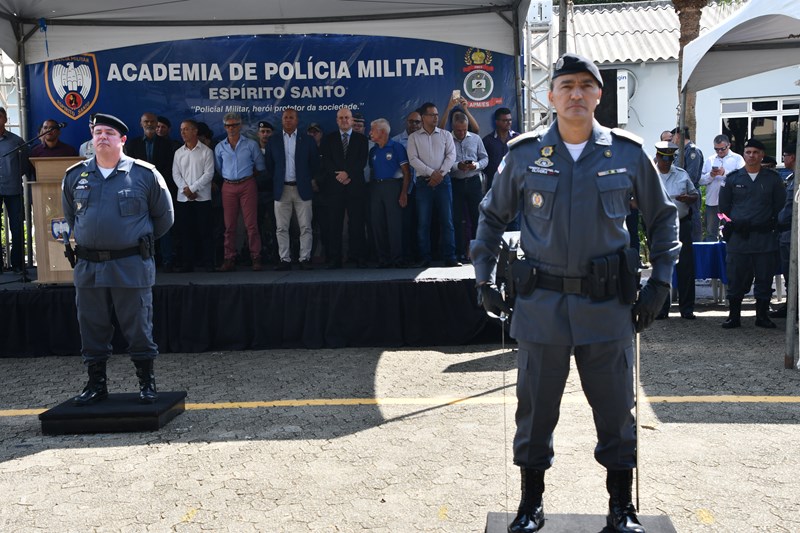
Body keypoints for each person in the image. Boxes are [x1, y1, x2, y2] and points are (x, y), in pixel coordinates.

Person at [471, 53, 679, 533]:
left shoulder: (626, 153)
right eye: (566, 85)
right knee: (535, 409)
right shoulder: (524, 155)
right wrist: (483, 277)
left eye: (587, 85)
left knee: (615, 412)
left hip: (606, 307)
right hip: (540, 306)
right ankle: (530, 504)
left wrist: (661, 283)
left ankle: (621, 508)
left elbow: (664, 219)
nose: (576, 94)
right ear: (551, 95)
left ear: (599, 96)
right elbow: (491, 216)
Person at [61, 113, 174, 405]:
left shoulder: (145, 174)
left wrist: (134, 241)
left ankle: (146, 382)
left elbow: (164, 218)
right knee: (91, 326)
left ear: (122, 140)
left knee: (138, 325)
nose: (102, 137)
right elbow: (72, 218)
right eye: (97, 132)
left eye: (109, 133)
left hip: (130, 264)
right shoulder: (75, 176)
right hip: (88, 267)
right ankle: (96, 384)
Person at [719, 138, 785, 329]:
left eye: (756, 152)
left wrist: (771, 223)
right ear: (744, 154)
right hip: (739, 238)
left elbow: (779, 207)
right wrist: (731, 225)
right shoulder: (732, 178)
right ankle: (734, 316)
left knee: (764, 277)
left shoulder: (772, 179)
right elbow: (723, 209)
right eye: (748, 152)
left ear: (762, 155)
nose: (752, 156)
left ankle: (762, 316)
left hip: (764, 238)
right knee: (736, 277)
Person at [265, 108, 319, 270]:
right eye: (285, 117)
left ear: (297, 120)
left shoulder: (307, 140)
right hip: (282, 189)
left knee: (305, 226)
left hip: (302, 187)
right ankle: (285, 259)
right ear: (282, 120)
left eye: (291, 117)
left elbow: (314, 163)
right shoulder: (273, 141)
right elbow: (270, 166)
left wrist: (310, 180)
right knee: (281, 227)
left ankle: (305, 258)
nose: (288, 120)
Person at [407, 102, 459, 268]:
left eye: (437, 115)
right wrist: (432, 173)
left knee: (447, 221)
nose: (436, 117)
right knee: (423, 222)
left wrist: (440, 174)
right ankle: (424, 257)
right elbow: (413, 159)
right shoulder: (413, 137)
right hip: (424, 184)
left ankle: (450, 256)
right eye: (432, 115)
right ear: (423, 117)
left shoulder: (445, 135)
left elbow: (451, 156)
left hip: (443, 182)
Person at [124, 112, 178, 271]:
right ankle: (145, 260)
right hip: (139, 192)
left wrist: (157, 184)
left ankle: (167, 260)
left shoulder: (168, 144)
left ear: (156, 123)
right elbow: (130, 169)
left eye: (152, 121)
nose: (149, 124)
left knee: (164, 225)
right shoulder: (133, 144)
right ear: (141, 124)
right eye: (146, 121)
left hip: (161, 190)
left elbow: (169, 168)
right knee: (141, 227)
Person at [214, 112, 266, 272]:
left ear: (240, 125)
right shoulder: (219, 147)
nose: (232, 128)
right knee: (229, 226)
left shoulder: (251, 144)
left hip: (247, 185)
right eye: (228, 125)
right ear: (224, 127)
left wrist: (247, 177)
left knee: (251, 225)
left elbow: (260, 166)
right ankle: (229, 258)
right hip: (228, 186)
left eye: (235, 124)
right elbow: (218, 168)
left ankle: (255, 257)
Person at [653, 141, 699, 320]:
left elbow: (695, 194)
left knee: (686, 267)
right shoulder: (649, 175)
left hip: (682, 224)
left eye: (669, 160)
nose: (666, 163)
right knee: (661, 267)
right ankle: (661, 309)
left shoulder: (681, 174)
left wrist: (689, 198)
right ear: (657, 157)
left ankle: (687, 309)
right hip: (659, 227)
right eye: (664, 160)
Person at [319, 107, 369, 269]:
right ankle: (335, 259)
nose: (344, 120)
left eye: (347, 117)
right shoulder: (329, 139)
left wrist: (348, 174)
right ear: (336, 120)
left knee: (357, 224)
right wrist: (339, 176)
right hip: (335, 188)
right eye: (340, 118)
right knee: (334, 225)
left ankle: (358, 257)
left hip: (355, 187)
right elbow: (326, 161)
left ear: (352, 120)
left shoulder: (361, 140)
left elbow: (361, 162)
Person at [172, 119, 215, 272]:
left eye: (186, 129)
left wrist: (193, 188)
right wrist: (186, 190)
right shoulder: (178, 152)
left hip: (202, 197)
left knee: (205, 231)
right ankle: (187, 264)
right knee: (186, 232)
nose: (183, 132)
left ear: (195, 131)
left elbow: (209, 174)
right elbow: (175, 174)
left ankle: (209, 263)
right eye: (181, 129)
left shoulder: (206, 152)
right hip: (184, 198)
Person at [368, 118, 410, 268]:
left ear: (382, 132)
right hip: (376, 187)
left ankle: (397, 258)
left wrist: (404, 193)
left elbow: (406, 173)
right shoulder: (373, 150)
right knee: (377, 223)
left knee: (394, 224)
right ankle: (383, 259)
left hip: (393, 187)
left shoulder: (397, 147)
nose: (370, 133)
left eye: (372, 130)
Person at [450, 112, 488, 263]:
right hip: (455, 182)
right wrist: (456, 166)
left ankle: (477, 252)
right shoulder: (447, 139)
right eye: (459, 130)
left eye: (464, 130)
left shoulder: (476, 138)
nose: (462, 133)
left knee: (477, 217)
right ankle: (459, 252)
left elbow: (485, 158)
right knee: (456, 220)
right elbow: (442, 161)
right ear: (453, 127)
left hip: (473, 182)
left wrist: (476, 165)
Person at [0, 106, 30, 274]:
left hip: (13, 190)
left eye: (0, 117)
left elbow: (25, 165)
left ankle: (18, 264)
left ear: (5, 119)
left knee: (17, 228)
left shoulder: (16, 141)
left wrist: (13, 175)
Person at [699, 134, 744, 241]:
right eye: (716, 149)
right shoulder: (710, 160)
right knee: (711, 233)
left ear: (729, 145)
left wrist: (725, 173)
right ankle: (713, 257)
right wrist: (711, 175)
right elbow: (700, 180)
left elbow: (742, 178)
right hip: (713, 201)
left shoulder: (737, 159)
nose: (719, 152)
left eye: (722, 149)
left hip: (731, 202)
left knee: (731, 231)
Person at [392, 111, 423, 263]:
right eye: (411, 122)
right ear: (406, 122)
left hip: (424, 187)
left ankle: (422, 255)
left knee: (423, 222)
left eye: (417, 122)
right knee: (406, 223)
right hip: (405, 188)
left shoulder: (427, 139)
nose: (414, 125)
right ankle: (406, 256)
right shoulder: (396, 142)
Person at [772, 145, 796, 318]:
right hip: (786, 232)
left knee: (793, 272)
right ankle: (791, 306)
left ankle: (794, 308)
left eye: (785, 155)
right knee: (788, 274)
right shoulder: (792, 177)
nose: (784, 158)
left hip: (793, 232)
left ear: (793, 157)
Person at [670, 127, 704, 242]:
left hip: (690, 194)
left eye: (673, 136)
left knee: (693, 226)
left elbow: (691, 176)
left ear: (678, 135)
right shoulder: (679, 152)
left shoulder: (692, 151)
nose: (672, 140)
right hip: (679, 195)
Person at [482, 107, 520, 191]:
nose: (508, 123)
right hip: (494, 183)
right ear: (497, 122)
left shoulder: (518, 138)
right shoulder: (487, 140)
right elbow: (483, 162)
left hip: (514, 182)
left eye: (510, 120)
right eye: (505, 120)